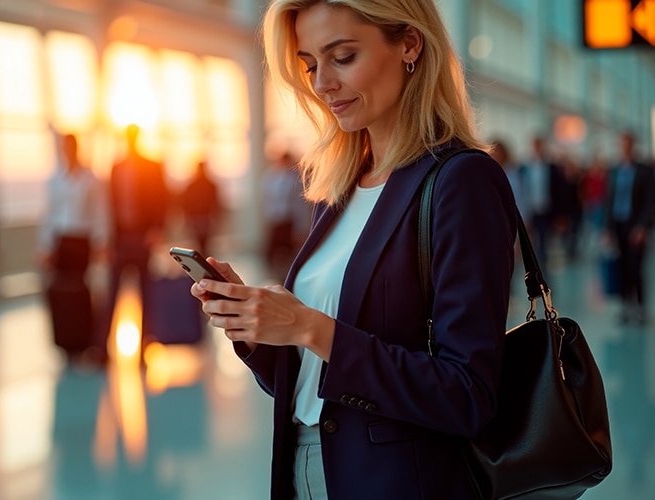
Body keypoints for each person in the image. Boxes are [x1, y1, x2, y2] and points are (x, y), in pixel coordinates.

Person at [189, 1, 518, 497]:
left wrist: (309, 326)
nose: (322, 84)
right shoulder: (340, 189)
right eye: (310, 65)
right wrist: (262, 332)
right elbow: (317, 385)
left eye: (342, 57)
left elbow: (467, 396)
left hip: (397, 483)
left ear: (409, 44)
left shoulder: (461, 181)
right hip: (306, 472)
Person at [37, 131, 110, 364]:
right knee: (61, 293)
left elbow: (101, 213)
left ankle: (83, 341)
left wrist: (101, 241)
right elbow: (49, 214)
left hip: (82, 241)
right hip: (61, 241)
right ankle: (65, 343)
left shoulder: (90, 179)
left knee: (81, 293)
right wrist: (45, 246)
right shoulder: (55, 179)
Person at [106, 124, 170, 347]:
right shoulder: (116, 167)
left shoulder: (151, 166)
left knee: (146, 291)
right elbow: (110, 205)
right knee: (112, 290)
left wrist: (157, 229)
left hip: (142, 236)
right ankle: (103, 345)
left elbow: (162, 199)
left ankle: (146, 341)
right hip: (121, 237)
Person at [603, 131, 655, 324]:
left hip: (636, 226)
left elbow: (650, 201)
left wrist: (643, 226)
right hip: (618, 224)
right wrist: (607, 229)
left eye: (628, 144)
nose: (625, 148)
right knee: (622, 267)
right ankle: (626, 305)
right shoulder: (614, 170)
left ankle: (640, 306)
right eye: (622, 144)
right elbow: (609, 200)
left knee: (636, 267)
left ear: (634, 146)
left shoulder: (644, 170)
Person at [262, 151, 308, 279]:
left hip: (289, 221)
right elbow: (267, 198)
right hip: (276, 220)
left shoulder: (295, 179)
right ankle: (274, 275)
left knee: (289, 253)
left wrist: (301, 228)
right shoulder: (272, 176)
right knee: (269, 251)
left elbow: (299, 206)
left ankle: (287, 277)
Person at [520, 135, 561, 267]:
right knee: (532, 240)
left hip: (546, 209)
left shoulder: (551, 167)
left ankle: (541, 264)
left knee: (544, 240)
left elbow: (557, 191)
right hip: (531, 209)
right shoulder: (525, 167)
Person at [179, 160, 222, 256]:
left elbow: (185, 203)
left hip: (201, 217)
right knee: (203, 243)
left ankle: (203, 261)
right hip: (202, 217)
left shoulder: (192, 186)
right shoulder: (210, 185)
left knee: (202, 243)